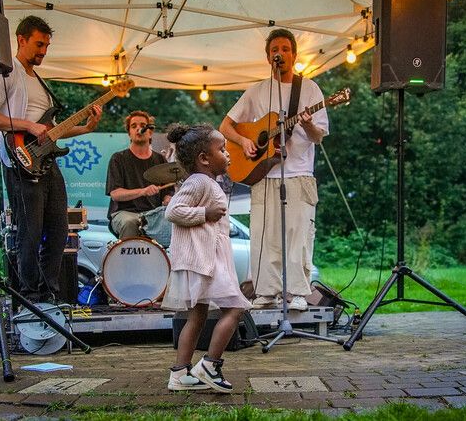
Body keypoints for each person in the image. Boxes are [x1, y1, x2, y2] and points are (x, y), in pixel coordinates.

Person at [0, 15, 102, 304]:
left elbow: (51, 131)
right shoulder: (3, 73)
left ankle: (48, 291)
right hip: (20, 162)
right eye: (38, 44)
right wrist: (27, 125)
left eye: (46, 46)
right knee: (30, 232)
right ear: (20, 40)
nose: (43, 51)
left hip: (47, 163)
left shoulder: (41, 83)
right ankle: (29, 293)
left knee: (60, 229)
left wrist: (86, 128)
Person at [219, 28, 329, 311]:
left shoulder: (310, 89)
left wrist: (306, 124)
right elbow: (225, 126)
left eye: (285, 48)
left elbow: (319, 136)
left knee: (298, 236)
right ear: (269, 57)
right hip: (264, 173)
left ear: (294, 54)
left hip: (299, 174)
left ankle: (297, 293)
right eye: (274, 50)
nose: (279, 53)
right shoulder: (257, 91)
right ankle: (266, 292)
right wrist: (244, 141)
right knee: (263, 235)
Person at [161, 123, 251, 393]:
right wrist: (204, 214)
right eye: (222, 149)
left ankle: (180, 375)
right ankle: (210, 365)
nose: (228, 154)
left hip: (205, 259)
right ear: (204, 159)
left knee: (197, 316)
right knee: (235, 309)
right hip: (204, 262)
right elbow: (173, 211)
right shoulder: (199, 181)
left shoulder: (205, 182)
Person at [106, 110, 174, 239]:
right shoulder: (118, 159)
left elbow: (168, 193)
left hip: (153, 213)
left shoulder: (160, 160)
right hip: (125, 213)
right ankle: (127, 258)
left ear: (150, 132)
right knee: (130, 222)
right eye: (134, 126)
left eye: (143, 126)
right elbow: (116, 194)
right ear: (129, 133)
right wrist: (143, 191)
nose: (139, 129)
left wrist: (168, 200)